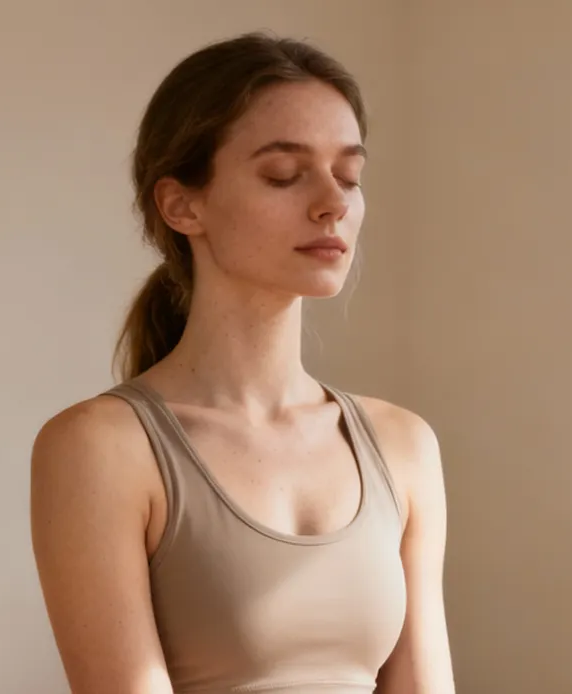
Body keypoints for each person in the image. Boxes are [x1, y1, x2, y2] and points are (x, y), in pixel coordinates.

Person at [30, 32, 454, 694]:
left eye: (349, 175)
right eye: (284, 174)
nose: (333, 203)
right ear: (181, 205)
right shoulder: (99, 449)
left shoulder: (403, 445)